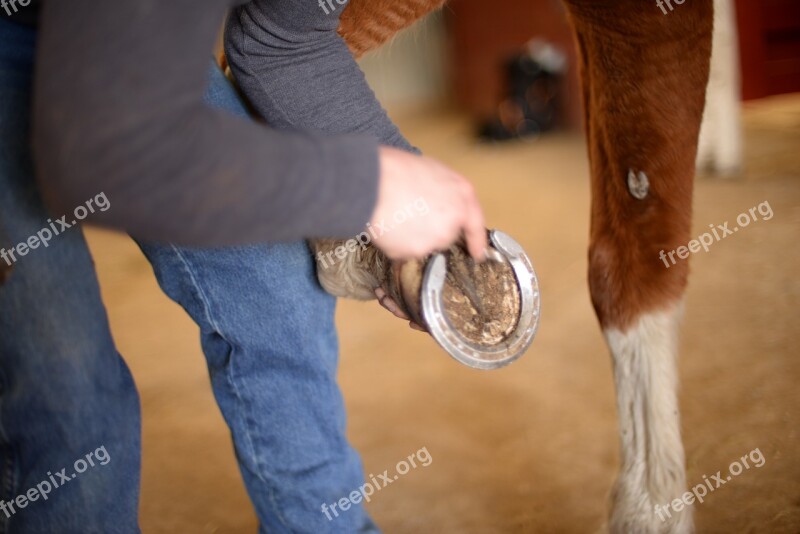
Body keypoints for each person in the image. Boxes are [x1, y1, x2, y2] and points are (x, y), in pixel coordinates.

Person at [0, 1, 486, 532]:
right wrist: (364, 187)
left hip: (130, 37)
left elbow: (281, 36)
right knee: (69, 393)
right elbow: (110, 154)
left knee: (277, 291)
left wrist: (406, 190)